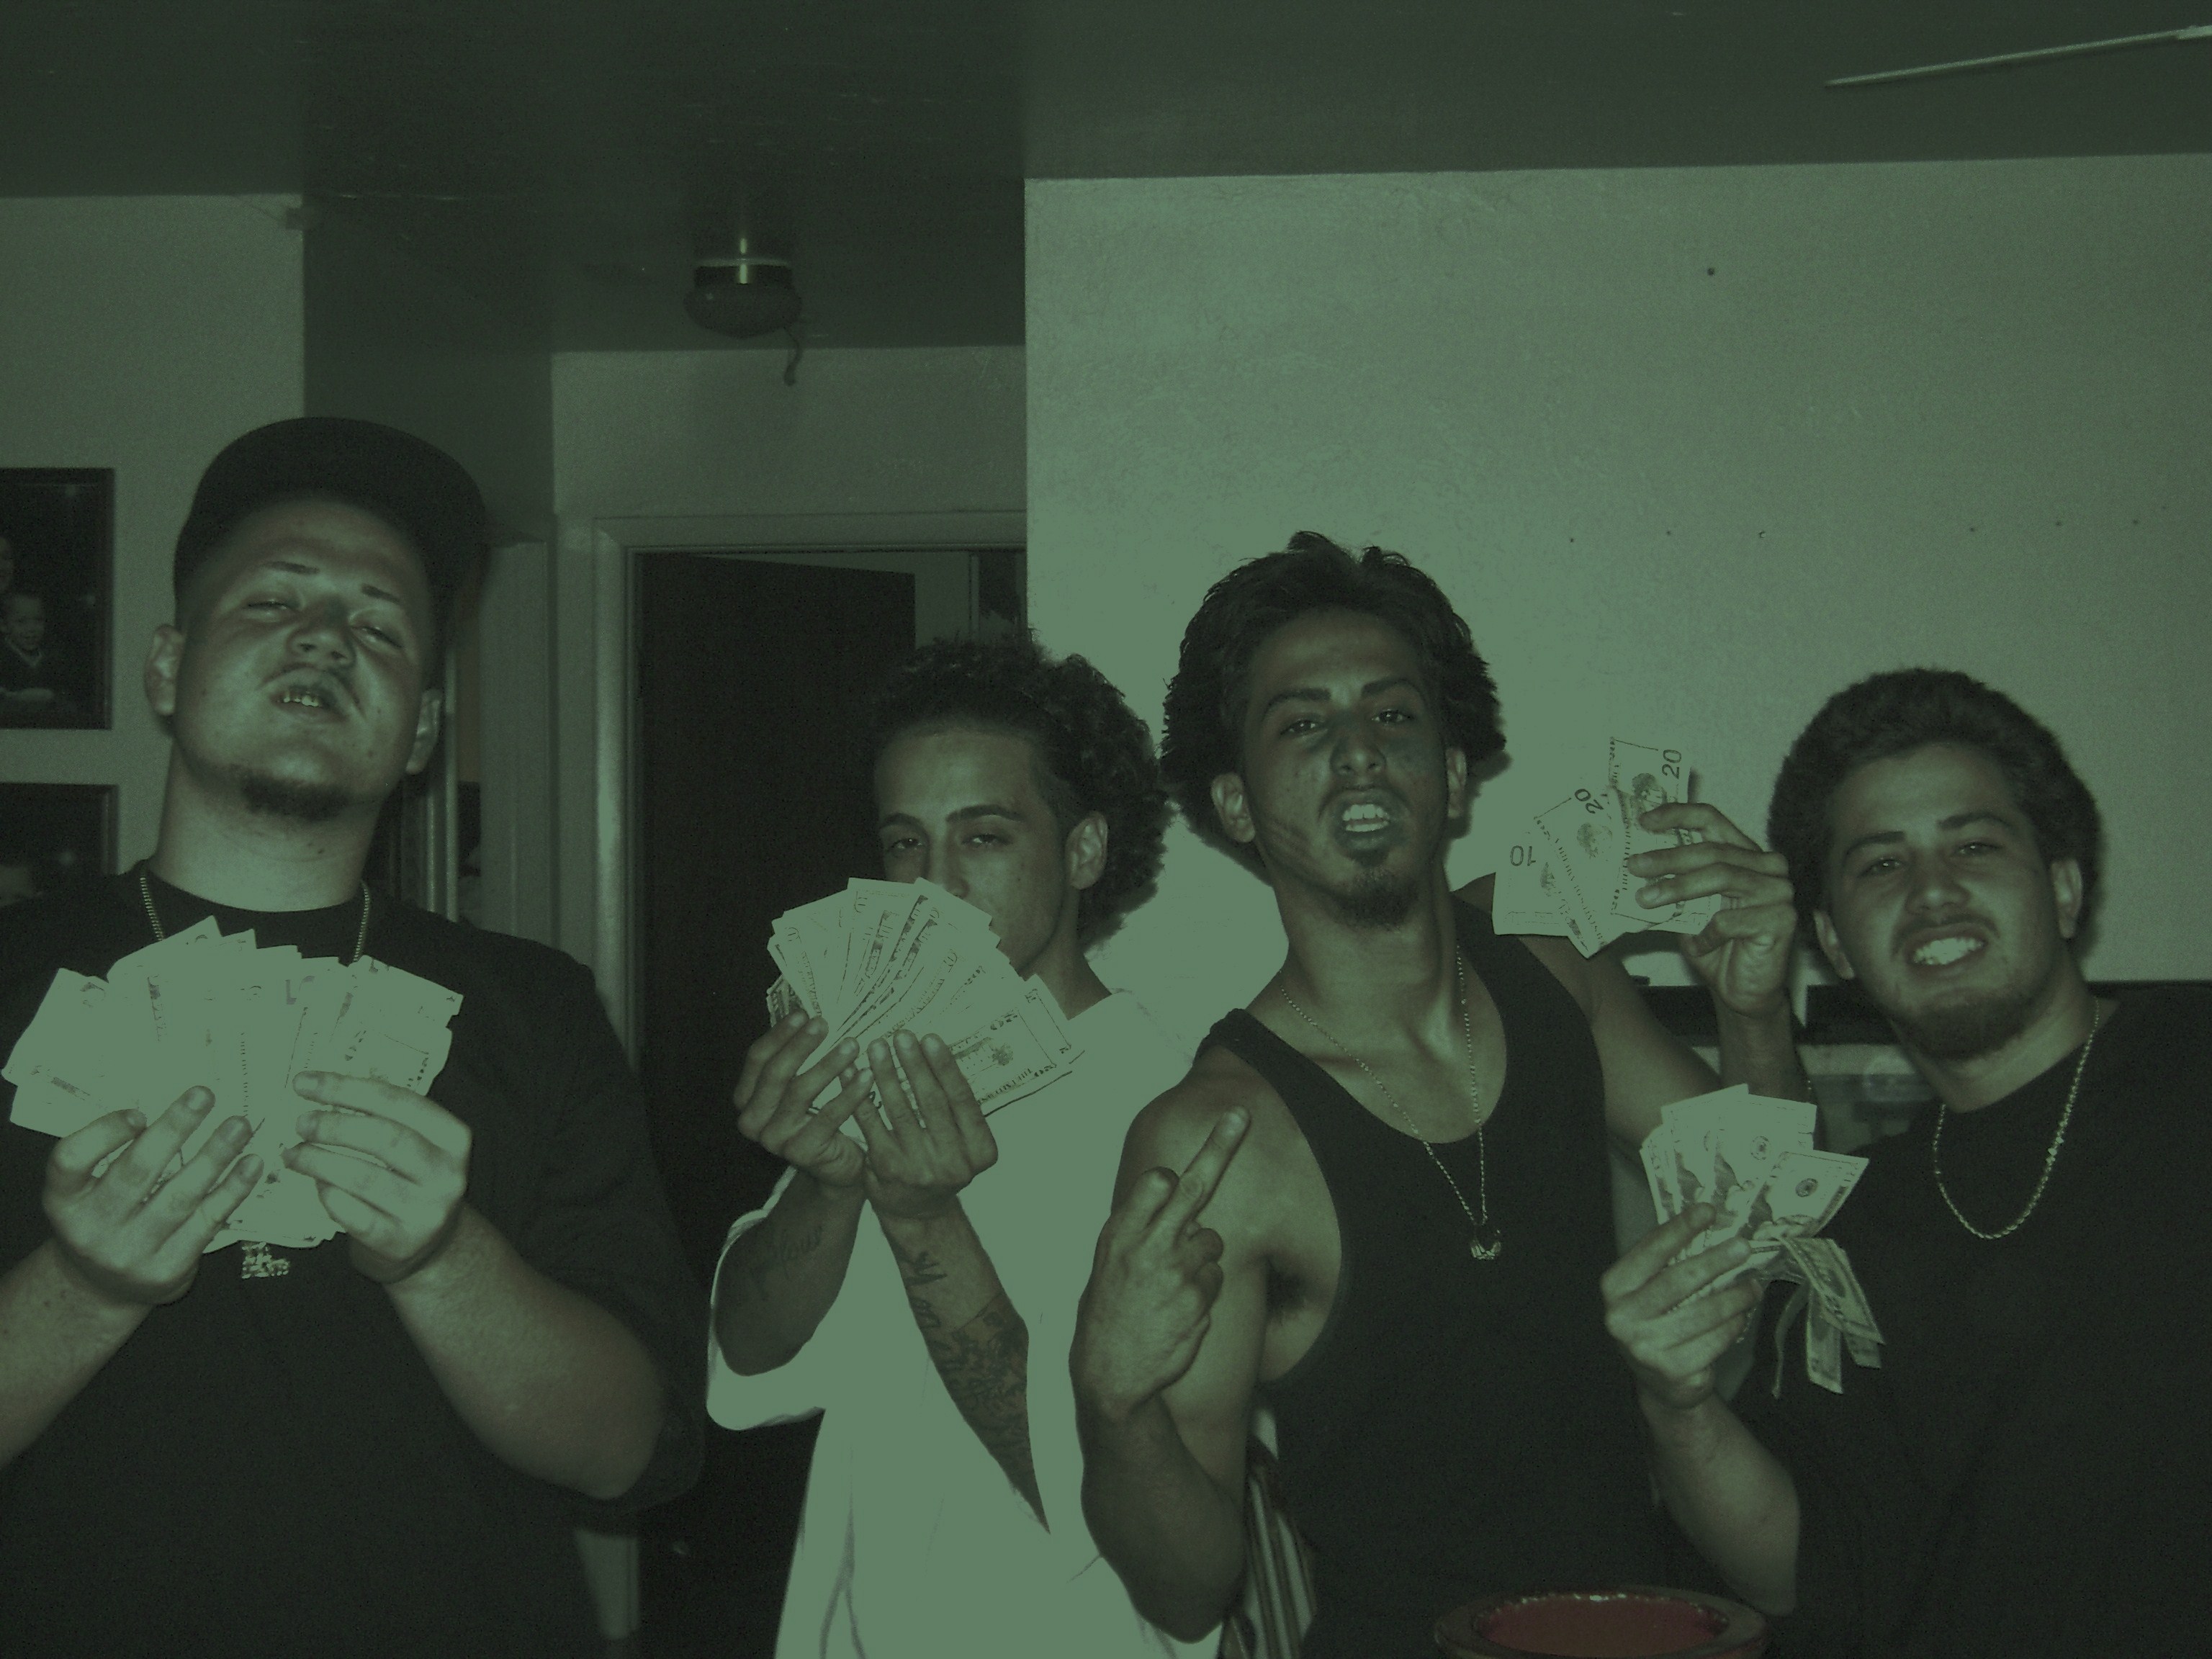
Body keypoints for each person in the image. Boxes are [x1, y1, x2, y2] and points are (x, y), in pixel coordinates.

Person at [0, 417, 706, 1658]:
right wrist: (84, 1290)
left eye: (381, 627)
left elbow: (622, 1451)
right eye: (272, 600)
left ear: (421, 729)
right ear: (167, 666)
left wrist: (441, 1258)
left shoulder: (537, 1008)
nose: (326, 636)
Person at [1070, 533, 1809, 1659]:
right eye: (1302, 724)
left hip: (1643, 1632)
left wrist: (1754, 1012)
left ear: (1454, 776)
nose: (1358, 749)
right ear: (1235, 802)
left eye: (1393, 713)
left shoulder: (1551, 964)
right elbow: (1187, 1594)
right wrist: (1113, 1408)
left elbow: (1773, 1222)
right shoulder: (1216, 1140)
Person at [1601, 667, 2211, 1657]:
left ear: (2064, 888)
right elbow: (1798, 1569)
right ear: (1834, 943)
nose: (1932, 892)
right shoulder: (1857, 1223)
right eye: (1881, 864)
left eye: (1973, 845)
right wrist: (1676, 1404)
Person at [708, 634, 1220, 1658]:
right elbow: (745, 1360)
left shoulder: (1171, 1116)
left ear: (1083, 851)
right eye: (905, 843)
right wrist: (826, 1183)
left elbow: (1091, 1487)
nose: (932, 888)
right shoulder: (880, 1057)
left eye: (982, 837)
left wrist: (923, 1218)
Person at [0, 590, 81, 722]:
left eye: (38, 620)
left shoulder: (54, 660)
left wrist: (55, 699)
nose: (32, 629)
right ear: (3, 625)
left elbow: (69, 705)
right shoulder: (3, 659)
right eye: (21, 622)